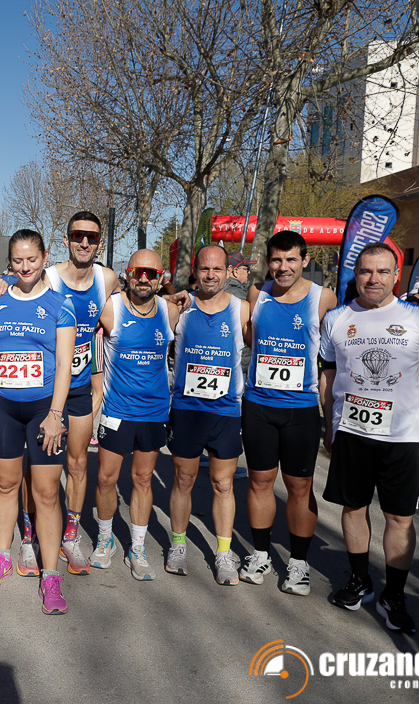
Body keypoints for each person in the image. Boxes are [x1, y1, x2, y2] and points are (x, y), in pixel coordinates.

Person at [320, 243, 419, 635]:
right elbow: (327, 376)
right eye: (365, 271)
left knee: (399, 517)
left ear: (396, 275)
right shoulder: (336, 319)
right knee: (353, 508)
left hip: (403, 437)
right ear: (355, 274)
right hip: (352, 431)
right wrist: (328, 425)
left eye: (382, 271)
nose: (373, 279)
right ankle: (360, 580)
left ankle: (394, 594)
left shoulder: (418, 318)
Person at [0, 212, 120, 575]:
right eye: (77, 235)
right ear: (65, 240)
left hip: (79, 386)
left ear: (99, 242)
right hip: (46, 389)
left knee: (78, 464)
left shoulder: (107, 278)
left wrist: (180, 299)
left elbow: (127, 309)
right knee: (35, 470)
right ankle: (29, 538)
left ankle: (71, 537)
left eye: (92, 237)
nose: (84, 242)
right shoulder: (47, 275)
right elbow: (18, 279)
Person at [0, 229, 74, 615]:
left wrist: (55, 415)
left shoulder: (60, 304)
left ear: (45, 257)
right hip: (2, 406)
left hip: (43, 410)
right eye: (17, 260)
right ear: (9, 262)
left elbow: (65, 365)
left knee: (46, 493)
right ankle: (2, 556)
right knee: (5, 484)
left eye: (32, 259)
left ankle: (50, 576)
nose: (25, 266)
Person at [239, 230, 337, 595]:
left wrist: (332, 418)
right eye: (277, 260)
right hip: (259, 406)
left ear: (305, 260)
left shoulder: (323, 298)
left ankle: (298, 563)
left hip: (301, 410)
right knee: (260, 482)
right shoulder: (257, 293)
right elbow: (247, 337)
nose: (283, 267)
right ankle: (261, 554)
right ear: (268, 262)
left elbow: (331, 362)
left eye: (291, 259)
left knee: (299, 487)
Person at [91, 249, 177, 581]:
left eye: (151, 274)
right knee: (106, 479)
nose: (143, 278)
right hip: (117, 410)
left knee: (142, 479)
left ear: (161, 278)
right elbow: (83, 332)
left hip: (154, 412)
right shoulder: (110, 307)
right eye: (138, 271)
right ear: (127, 273)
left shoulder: (170, 310)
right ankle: (105, 539)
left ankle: (137, 548)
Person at [167, 245, 250, 584]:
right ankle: (178, 544)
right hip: (187, 409)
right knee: (183, 480)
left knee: (223, 483)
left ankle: (224, 553)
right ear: (195, 270)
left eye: (217, 269)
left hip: (226, 411)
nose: (211, 275)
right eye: (204, 269)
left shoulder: (242, 309)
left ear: (228, 271)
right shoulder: (180, 307)